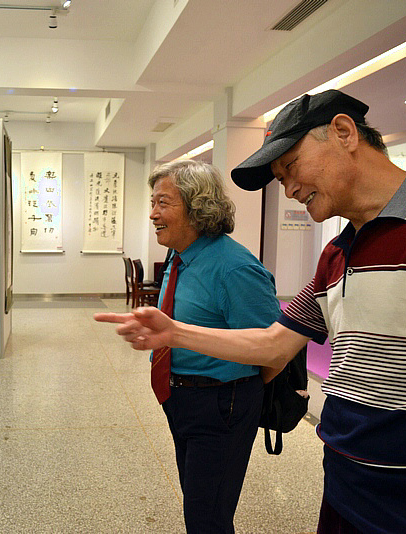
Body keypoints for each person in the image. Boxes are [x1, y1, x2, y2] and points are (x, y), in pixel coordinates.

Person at [95, 89, 406, 533]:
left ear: (343, 132)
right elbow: (275, 343)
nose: (290, 189)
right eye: (280, 179)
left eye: (291, 168)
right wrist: (173, 334)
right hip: (346, 489)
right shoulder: (337, 256)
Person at [139, 160, 280, 533]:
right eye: (153, 203)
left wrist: (236, 394)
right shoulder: (181, 256)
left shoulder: (233, 267)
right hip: (182, 397)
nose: (153, 214)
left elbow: (274, 351)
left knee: (208, 517)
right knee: (198, 503)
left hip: (221, 404)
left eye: (163, 203)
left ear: (197, 206)